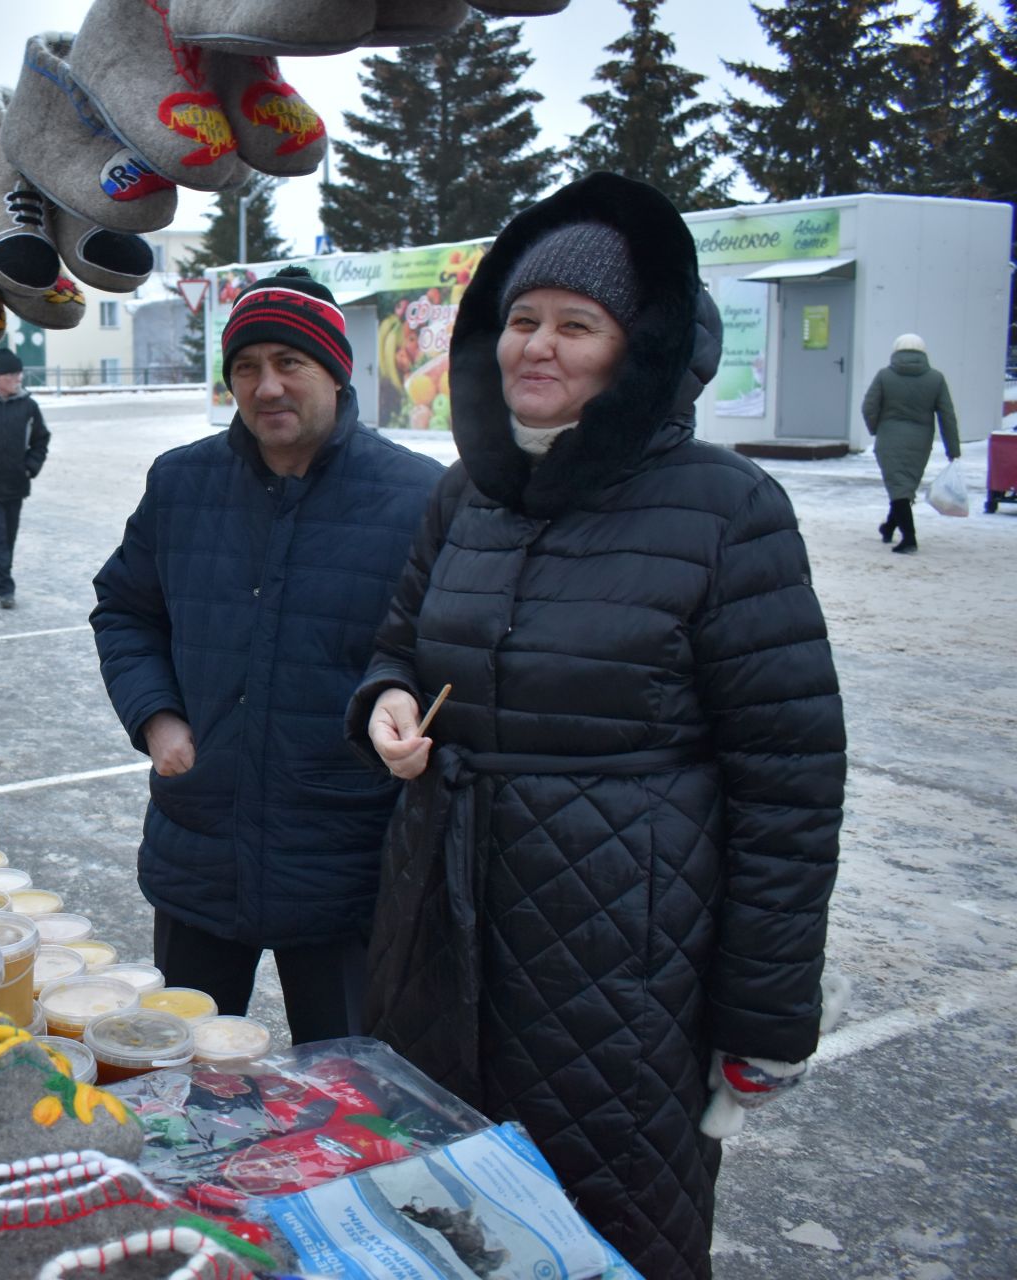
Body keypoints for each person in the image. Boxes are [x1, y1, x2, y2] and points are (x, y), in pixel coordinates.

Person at [349, 173, 846, 1279]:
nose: (538, 345)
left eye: (578, 324)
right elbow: (398, 644)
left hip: (623, 965)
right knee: (441, 1220)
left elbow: (790, 779)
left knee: (609, 1232)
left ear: (637, 348)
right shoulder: (465, 494)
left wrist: (764, 1014)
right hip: (440, 925)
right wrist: (383, 701)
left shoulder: (727, 510)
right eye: (523, 318)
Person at [92, 266, 443, 1044]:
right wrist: (156, 715)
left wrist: (403, 703)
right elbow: (124, 609)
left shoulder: (419, 498)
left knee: (352, 1091)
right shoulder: (182, 485)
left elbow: (443, 647)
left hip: (346, 859)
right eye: (246, 367)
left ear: (336, 373)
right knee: (188, 1086)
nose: (267, 386)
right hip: (200, 850)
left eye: (291, 363)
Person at [862, 333, 960, 553]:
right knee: (903, 487)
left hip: (889, 438)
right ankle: (888, 528)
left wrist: (876, 428)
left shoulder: (884, 376)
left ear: (896, 351)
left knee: (899, 487)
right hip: (921, 442)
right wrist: (953, 449)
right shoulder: (936, 378)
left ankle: (909, 539)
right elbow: (947, 415)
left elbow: (869, 407)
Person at [0, 347, 49, 608]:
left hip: (17, 482)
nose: (18, 379)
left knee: (9, 535)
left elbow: (41, 439)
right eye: (12, 375)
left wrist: (30, 467)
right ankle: (6, 587)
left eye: (19, 374)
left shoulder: (28, 406)